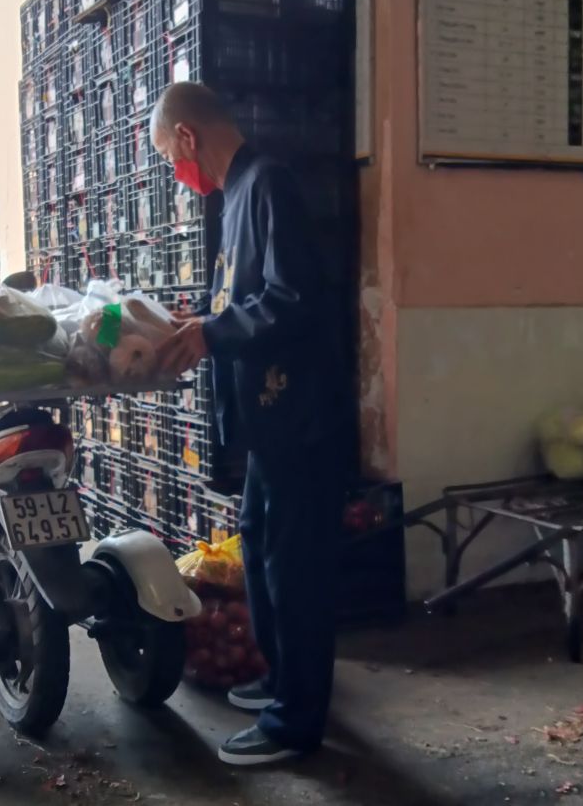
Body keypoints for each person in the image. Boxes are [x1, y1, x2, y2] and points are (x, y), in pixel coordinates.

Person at [151, 82, 348, 767]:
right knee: (262, 547)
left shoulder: (268, 184)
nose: (177, 173)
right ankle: (283, 679)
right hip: (270, 424)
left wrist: (213, 332)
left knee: (295, 570)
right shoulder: (234, 196)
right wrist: (197, 320)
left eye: (169, 158)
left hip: (302, 418)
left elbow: (294, 298)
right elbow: (242, 295)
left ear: (187, 137)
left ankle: (297, 720)